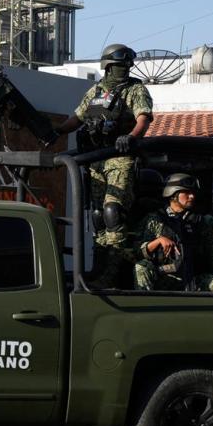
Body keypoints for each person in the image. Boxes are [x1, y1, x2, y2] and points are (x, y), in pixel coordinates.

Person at [54, 43, 154, 287]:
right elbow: (77, 119)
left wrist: (131, 136)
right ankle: (100, 271)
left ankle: (115, 271)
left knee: (113, 212)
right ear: (108, 67)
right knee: (98, 218)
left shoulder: (135, 89)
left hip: (119, 157)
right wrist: (55, 131)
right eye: (120, 66)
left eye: (128, 65)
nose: (125, 70)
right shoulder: (95, 92)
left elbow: (144, 118)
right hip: (96, 160)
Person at [133, 173, 213, 291]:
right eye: (187, 192)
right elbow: (137, 251)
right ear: (173, 194)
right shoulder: (155, 219)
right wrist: (158, 241)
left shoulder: (201, 222)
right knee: (141, 268)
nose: (192, 196)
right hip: (166, 277)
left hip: (195, 279)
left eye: (193, 193)